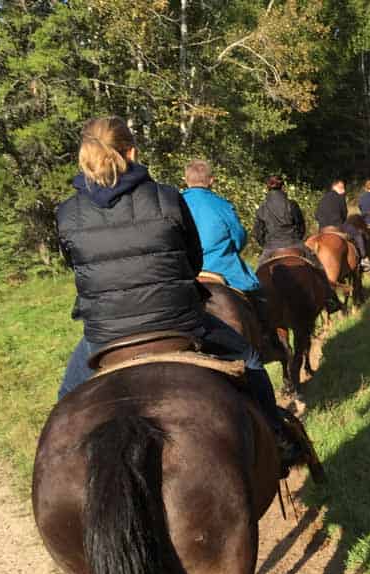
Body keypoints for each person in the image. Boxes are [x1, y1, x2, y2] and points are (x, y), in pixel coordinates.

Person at [55, 116, 304, 474]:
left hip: (104, 335)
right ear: (132, 151)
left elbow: (76, 268)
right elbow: (193, 260)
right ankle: (278, 439)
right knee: (250, 359)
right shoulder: (167, 198)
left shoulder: (67, 213)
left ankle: (63, 469)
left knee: (65, 401)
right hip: (177, 322)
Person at [253, 175, 341, 313]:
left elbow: (258, 233)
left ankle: (257, 311)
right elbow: (301, 225)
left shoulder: (262, 209)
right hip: (294, 243)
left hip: (271, 247)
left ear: (267, 188)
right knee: (319, 268)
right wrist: (297, 239)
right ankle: (331, 299)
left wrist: (265, 244)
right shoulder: (292, 204)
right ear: (283, 187)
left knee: (256, 277)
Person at [315, 178, 368, 269]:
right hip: (338, 226)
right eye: (342, 188)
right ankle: (363, 259)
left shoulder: (322, 199)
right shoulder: (340, 198)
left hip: (322, 229)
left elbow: (316, 215)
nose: (344, 191)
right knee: (358, 235)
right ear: (335, 187)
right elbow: (344, 213)